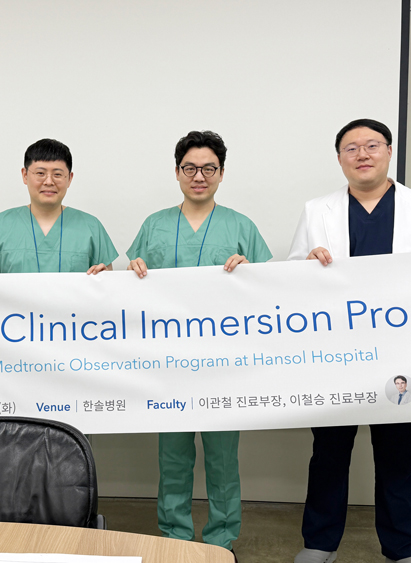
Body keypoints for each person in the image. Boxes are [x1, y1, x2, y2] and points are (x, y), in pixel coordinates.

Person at [289, 118, 411, 563]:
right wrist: (305, 262)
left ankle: (402, 548)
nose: (362, 154)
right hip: (337, 355)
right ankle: (320, 543)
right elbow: (289, 276)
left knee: (398, 454)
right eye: (351, 148)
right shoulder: (316, 210)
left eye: (371, 145)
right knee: (329, 452)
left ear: (388, 151)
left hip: (402, 353)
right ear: (339, 158)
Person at [127, 130, 271, 559]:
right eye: (190, 168)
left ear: (222, 173)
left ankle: (221, 541)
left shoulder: (240, 226)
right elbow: (130, 290)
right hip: (168, 363)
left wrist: (251, 271)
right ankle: (174, 537)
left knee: (223, 457)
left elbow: (270, 290)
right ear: (177, 172)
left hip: (223, 364)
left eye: (209, 168)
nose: (199, 176)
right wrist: (132, 269)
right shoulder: (154, 225)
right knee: (173, 456)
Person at [0, 138, 117, 275]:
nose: (49, 182)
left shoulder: (91, 227)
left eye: (57, 174)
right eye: (40, 173)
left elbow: (108, 283)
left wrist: (105, 278)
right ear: (25, 175)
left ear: (69, 178)